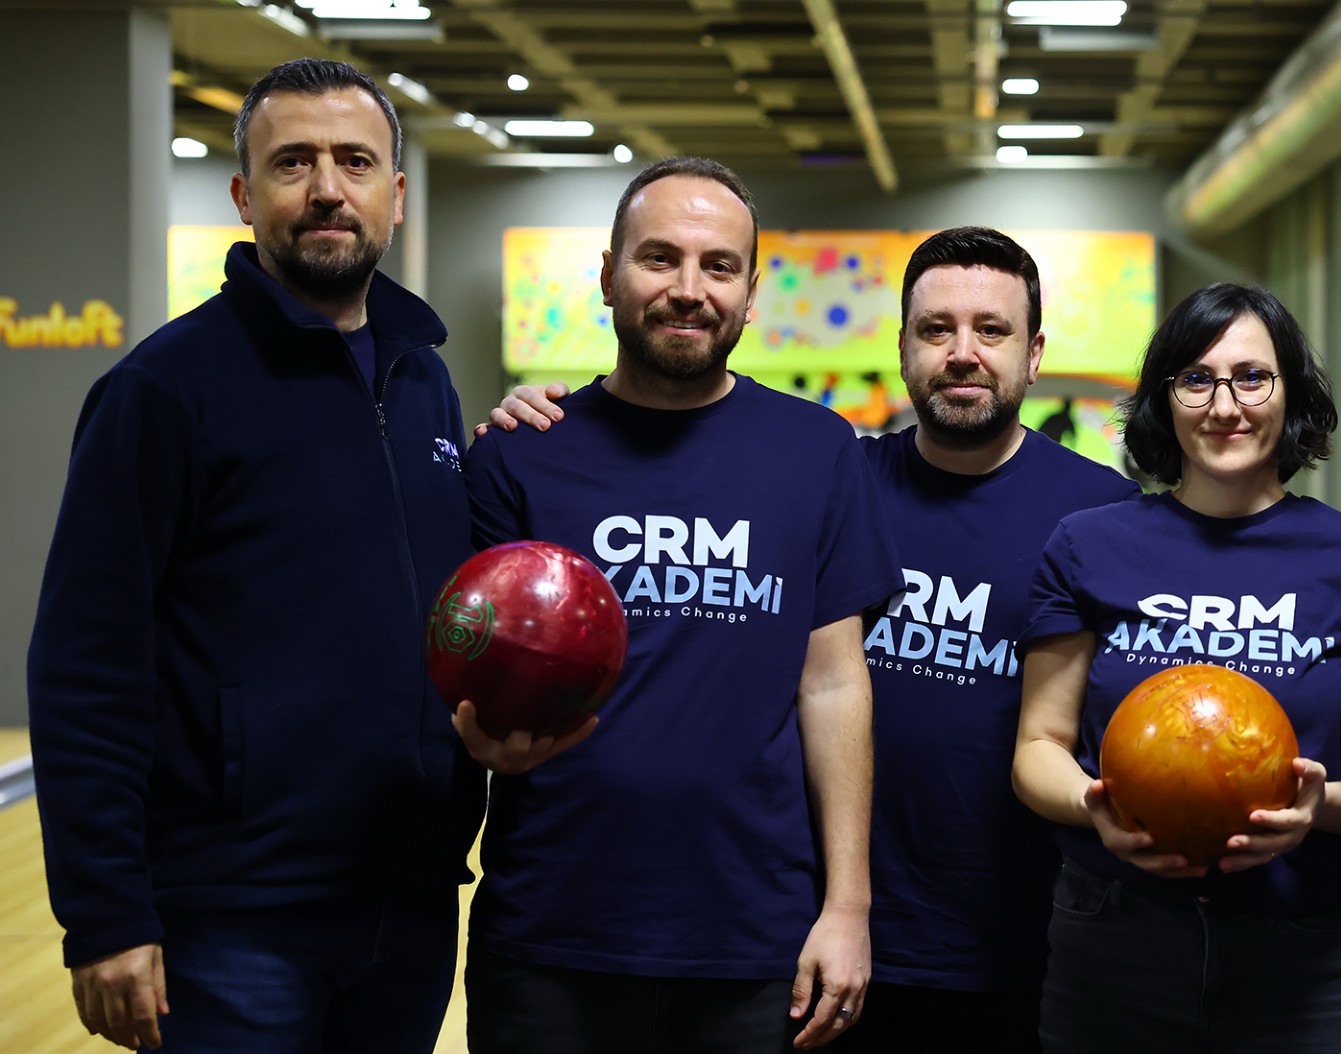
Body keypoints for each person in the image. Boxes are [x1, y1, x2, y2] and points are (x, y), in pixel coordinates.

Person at [25, 58, 576, 1054]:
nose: (327, 188)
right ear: (246, 196)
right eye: (294, 163)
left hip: (409, 897)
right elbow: (87, 664)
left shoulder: (423, 382)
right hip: (234, 915)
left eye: (354, 162)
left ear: (395, 195)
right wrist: (106, 913)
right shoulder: (164, 390)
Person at [459, 156, 902, 1053]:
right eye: (659, 258)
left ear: (751, 293)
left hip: (754, 939)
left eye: (719, 265)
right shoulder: (519, 454)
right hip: (550, 933)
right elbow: (468, 663)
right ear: (608, 275)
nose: (689, 289)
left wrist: (849, 907)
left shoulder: (819, 451)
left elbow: (833, 685)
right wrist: (480, 739)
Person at [1010, 282, 1341, 1053]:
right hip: (1116, 942)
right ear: (1163, 398)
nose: (1225, 405)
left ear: (1291, 394)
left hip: (1308, 954)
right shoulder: (1087, 545)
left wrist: (1319, 808)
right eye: (1196, 379)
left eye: (1252, 377)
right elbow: (1038, 747)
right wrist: (1094, 809)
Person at [839, 227, 1140, 1051]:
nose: (963, 353)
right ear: (903, 348)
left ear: (1033, 354)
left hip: (1041, 945)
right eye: (936, 329)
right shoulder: (842, 487)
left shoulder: (1105, 516)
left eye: (992, 330)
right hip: (845, 938)